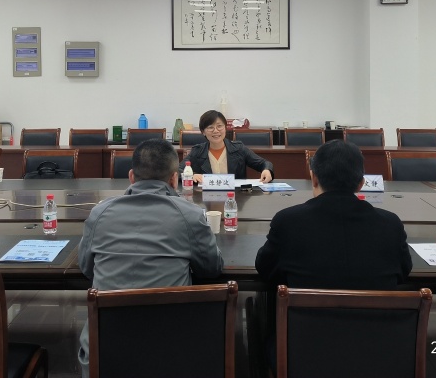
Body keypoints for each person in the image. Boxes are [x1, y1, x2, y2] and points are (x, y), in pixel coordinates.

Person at [77, 139, 223, 378]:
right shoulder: (190, 215)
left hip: (103, 356)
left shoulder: (99, 213)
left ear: (131, 176)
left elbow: (86, 268)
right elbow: (211, 269)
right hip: (173, 355)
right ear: (174, 179)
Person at [255, 139, 411, 288]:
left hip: (306, 309)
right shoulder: (391, 225)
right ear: (361, 184)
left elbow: (266, 269)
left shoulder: (287, 222)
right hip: (375, 309)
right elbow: (404, 271)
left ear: (314, 178)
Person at [180, 109, 274, 184]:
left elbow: (264, 163)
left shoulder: (239, 149)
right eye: (210, 127)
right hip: (205, 198)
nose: (216, 131)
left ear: (225, 128)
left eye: (219, 126)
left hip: (236, 197)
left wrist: (267, 170)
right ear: (203, 132)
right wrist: (191, 175)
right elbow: (178, 169)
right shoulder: (198, 151)